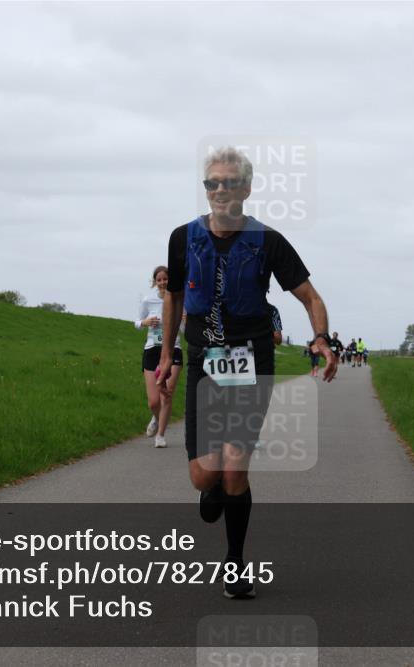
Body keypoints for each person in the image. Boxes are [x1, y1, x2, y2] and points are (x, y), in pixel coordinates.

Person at [156, 146, 337, 600]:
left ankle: (235, 564)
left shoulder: (267, 241)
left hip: (252, 361)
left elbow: (311, 297)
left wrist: (321, 340)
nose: (219, 190)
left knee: (235, 470)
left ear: (246, 189)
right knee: (205, 476)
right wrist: (166, 354)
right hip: (204, 361)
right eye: (211, 183)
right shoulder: (182, 238)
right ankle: (209, 489)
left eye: (228, 183)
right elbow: (173, 298)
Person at [136, 265, 182, 448]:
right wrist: (146, 322)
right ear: (155, 281)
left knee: (167, 394)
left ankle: (160, 435)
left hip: (174, 349)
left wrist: (184, 319)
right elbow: (137, 322)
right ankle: (156, 419)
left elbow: (184, 330)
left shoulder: (179, 299)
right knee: (154, 401)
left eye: (166, 279)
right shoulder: (148, 300)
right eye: (159, 279)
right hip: (152, 349)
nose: (163, 282)